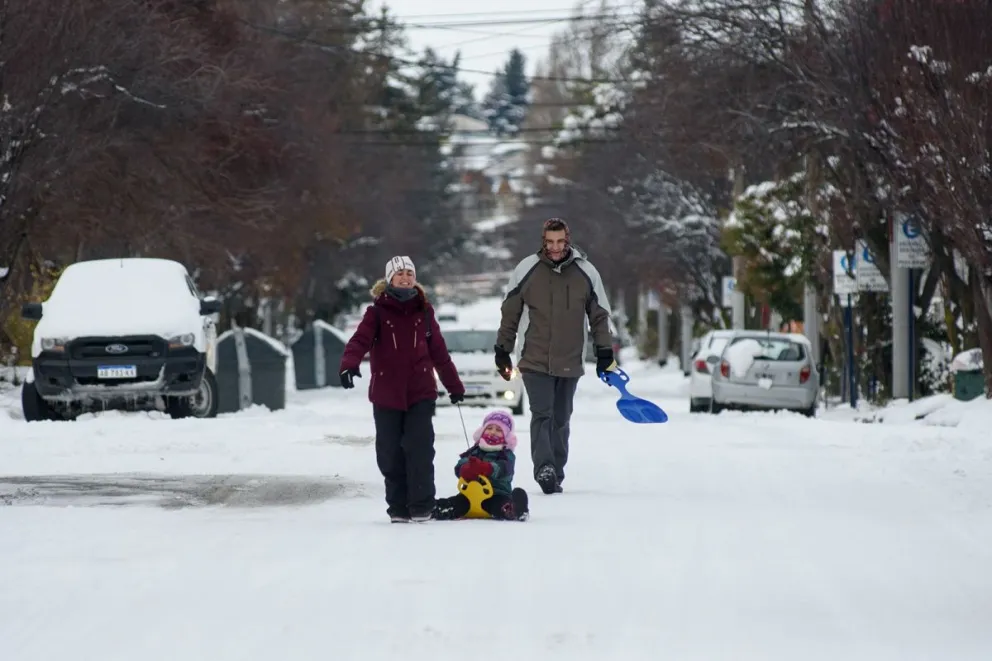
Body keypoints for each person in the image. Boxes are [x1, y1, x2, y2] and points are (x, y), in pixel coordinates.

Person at [339, 255, 466, 523]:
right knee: (390, 452)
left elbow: (439, 352)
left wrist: (453, 385)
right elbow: (359, 340)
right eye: (400, 274)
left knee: (420, 448)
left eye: (409, 273)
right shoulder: (376, 313)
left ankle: (422, 506)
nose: (405, 278)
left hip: (420, 391)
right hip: (386, 393)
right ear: (390, 279)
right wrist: (348, 364)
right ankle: (398, 507)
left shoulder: (425, 312)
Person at [494, 218, 616, 495]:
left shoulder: (586, 272)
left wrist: (604, 352)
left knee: (561, 418)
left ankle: (556, 471)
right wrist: (502, 349)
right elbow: (510, 312)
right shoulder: (527, 269)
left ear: (568, 239)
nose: (555, 247)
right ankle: (544, 468)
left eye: (560, 241)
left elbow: (599, 316)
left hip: (570, 359)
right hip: (534, 357)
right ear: (543, 241)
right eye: (550, 242)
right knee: (542, 414)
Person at [433, 410, 529, 521]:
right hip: (470, 494)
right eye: (489, 428)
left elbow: (505, 468)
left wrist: (487, 468)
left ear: (507, 435)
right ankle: (438, 508)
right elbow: (460, 464)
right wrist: (465, 468)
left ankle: (513, 510)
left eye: (498, 430)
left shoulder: (506, 454)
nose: (492, 432)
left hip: (495, 494)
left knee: (498, 505)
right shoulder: (475, 450)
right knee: (457, 503)